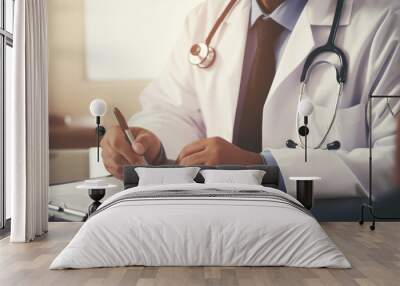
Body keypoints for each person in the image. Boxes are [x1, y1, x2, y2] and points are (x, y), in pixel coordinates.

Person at [101, 0, 400, 198]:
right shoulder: (206, 18)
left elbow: (389, 163)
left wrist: (266, 168)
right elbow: (171, 108)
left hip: (334, 237)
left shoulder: (385, 21)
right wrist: (151, 144)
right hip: (216, 228)